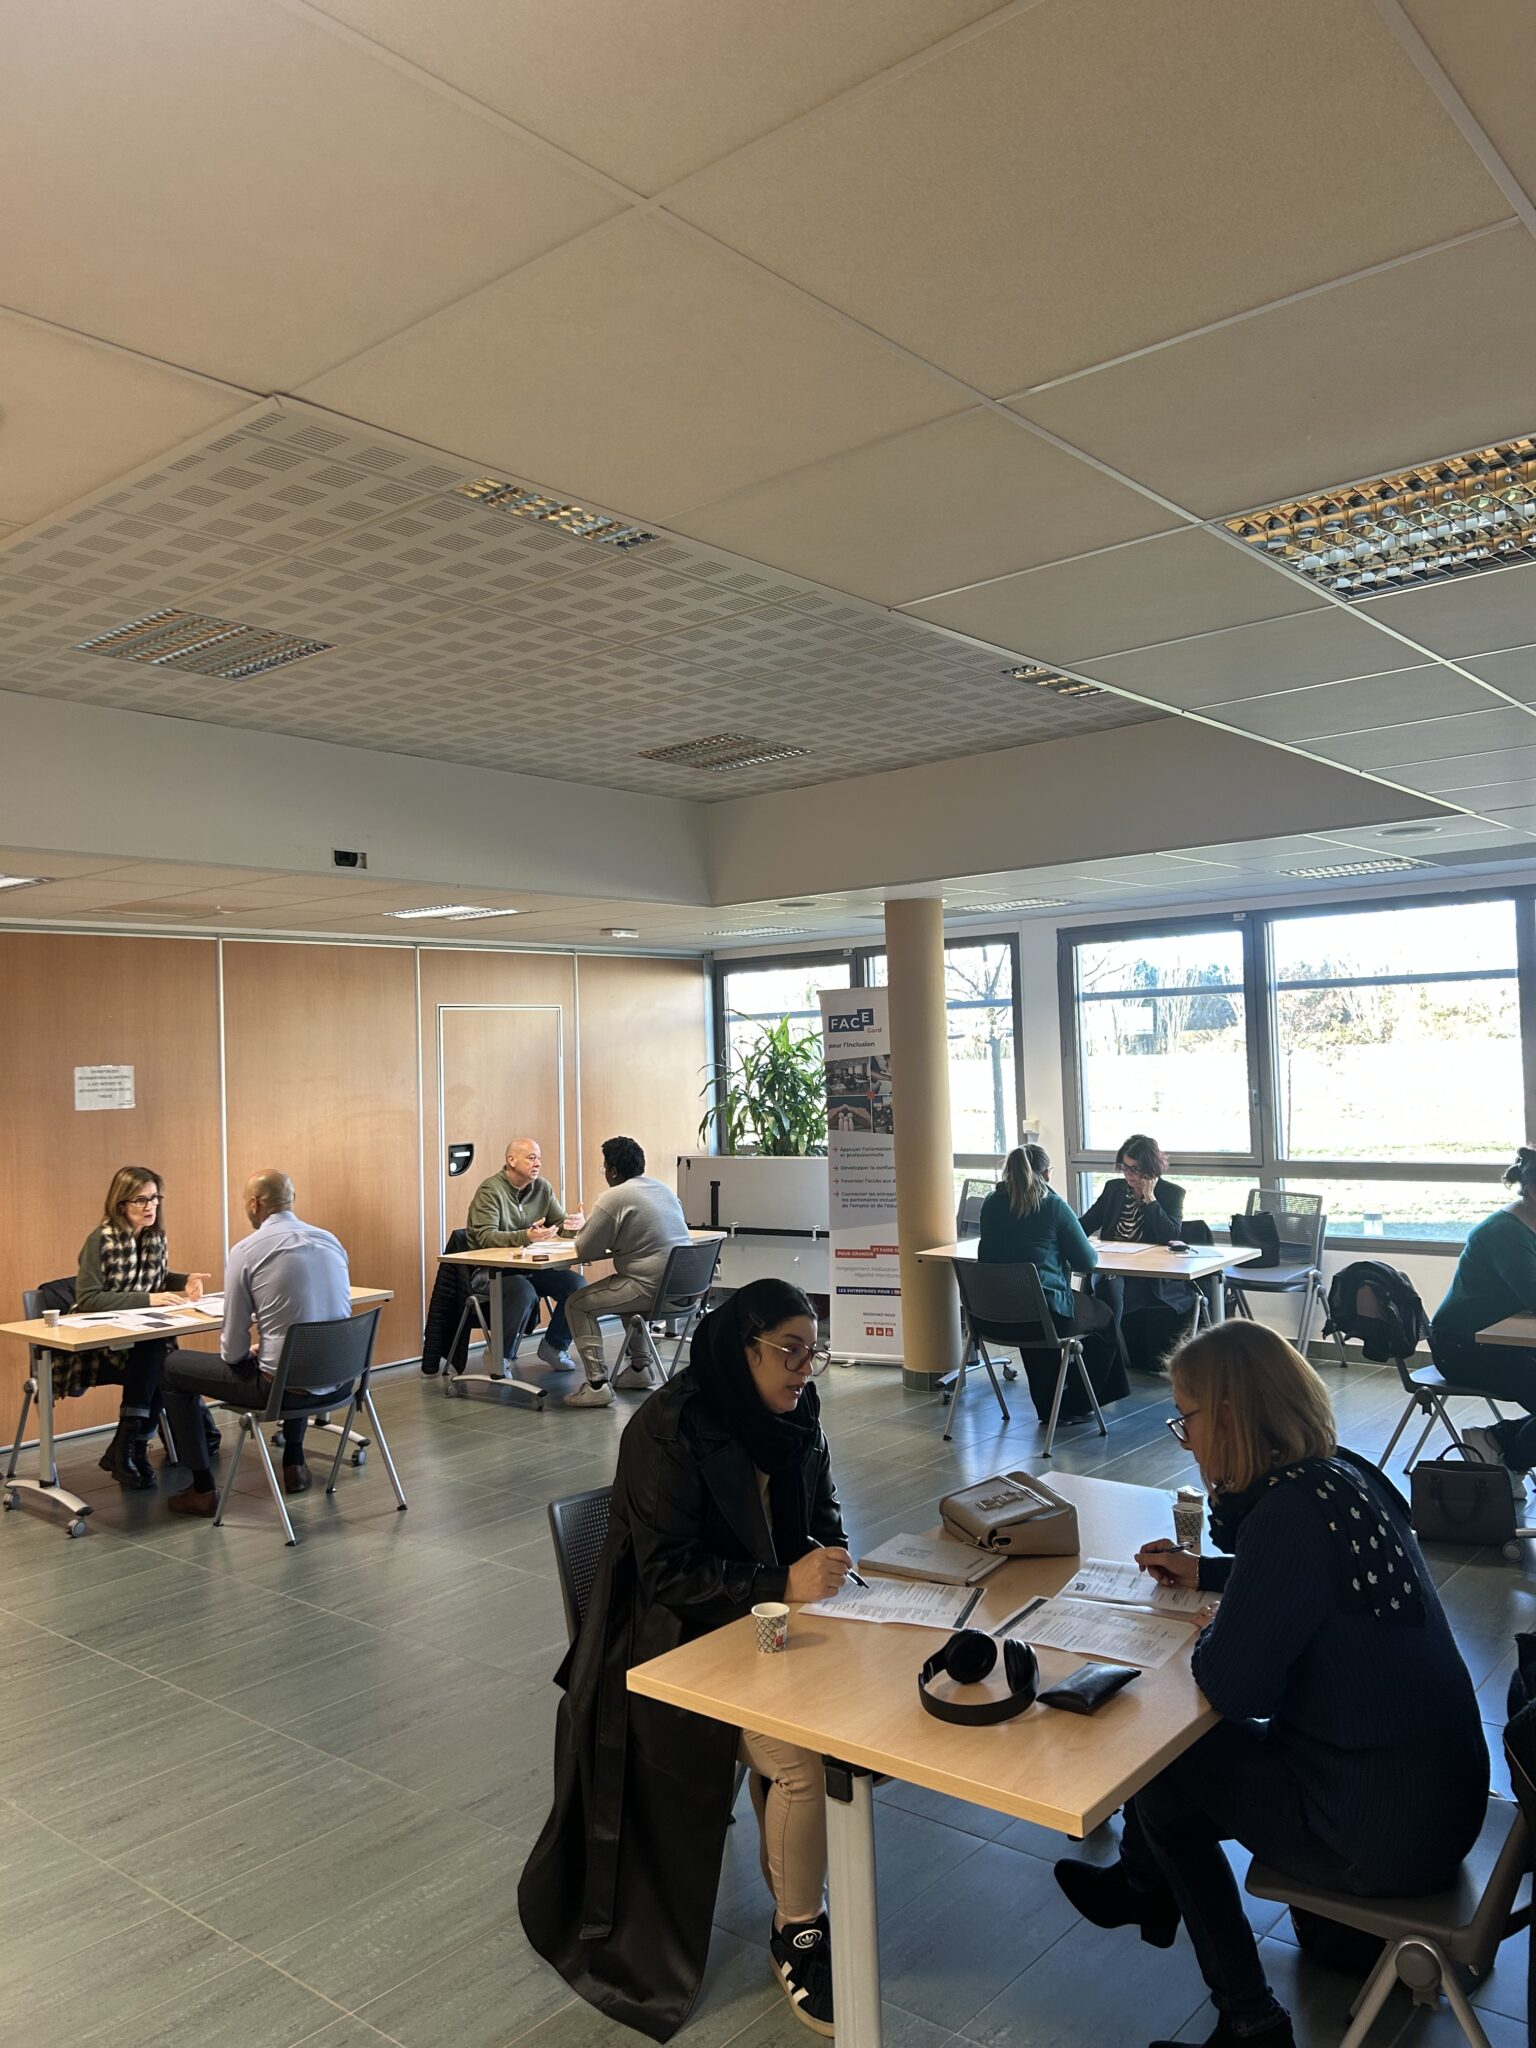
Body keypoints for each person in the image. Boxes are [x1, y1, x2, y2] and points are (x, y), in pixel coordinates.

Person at [1053, 1322, 1488, 2048]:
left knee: (1161, 1768)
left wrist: (1215, 1629)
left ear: (1229, 1415)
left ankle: (1246, 2017)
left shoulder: (1284, 1516)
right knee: (1176, 1775)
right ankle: (1143, 1887)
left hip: (1374, 1833)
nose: (1185, 1440)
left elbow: (1236, 1691)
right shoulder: (1342, 1477)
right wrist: (1209, 1575)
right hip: (1438, 1806)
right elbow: (1318, 1577)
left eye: (1187, 1418)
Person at [518, 1280, 849, 2040]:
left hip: (761, 1624)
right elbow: (666, 1574)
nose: (805, 1370)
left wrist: (829, 1556)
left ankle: (797, 1886)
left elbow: (821, 1509)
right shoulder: (670, 1428)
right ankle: (799, 1932)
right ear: (744, 1350)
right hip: (668, 1643)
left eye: (813, 1354)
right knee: (801, 1759)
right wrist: (782, 1583)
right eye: (790, 1352)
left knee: (846, 1719)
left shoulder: (796, 1414)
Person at [161, 1169, 352, 1515]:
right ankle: (294, 1463)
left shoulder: (247, 1251)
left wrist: (256, 1352)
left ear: (254, 1204)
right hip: (342, 1382)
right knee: (297, 1357)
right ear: (292, 1199)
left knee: (172, 1367)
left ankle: (201, 1489)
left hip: (279, 1391)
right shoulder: (330, 1241)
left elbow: (233, 1350)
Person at [74, 1166, 209, 1489]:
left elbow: (157, 1279)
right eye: (140, 1200)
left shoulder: (154, 1238)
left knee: (160, 1356)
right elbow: (88, 1299)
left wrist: (184, 1280)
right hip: (98, 1344)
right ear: (121, 1204)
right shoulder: (101, 1240)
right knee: (160, 1355)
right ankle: (129, 1446)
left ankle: (128, 1447)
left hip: (139, 1343)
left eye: (154, 1198)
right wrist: (148, 1300)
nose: (150, 1206)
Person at [977, 1144, 1126, 1423]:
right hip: (1042, 1315)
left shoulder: (991, 1203)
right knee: (1104, 1317)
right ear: (1046, 1173)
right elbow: (1087, 1262)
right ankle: (1078, 1402)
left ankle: (1050, 1406)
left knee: (1029, 1307)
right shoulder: (1052, 1205)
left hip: (992, 1316)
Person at [1430, 1146, 1536, 1483]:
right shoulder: (1506, 1232)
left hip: (1507, 1342)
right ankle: (1508, 1456)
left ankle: (1497, 1441)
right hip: (1464, 1348)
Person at [562, 1136, 692, 1410]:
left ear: (612, 1171)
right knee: (623, 1293)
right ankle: (639, 1368)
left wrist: (585, 1229)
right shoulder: (663, 1190)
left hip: (651, 1288)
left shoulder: (614, 1197)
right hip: (686, 1289)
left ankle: (597, 1385)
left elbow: (585, 1250)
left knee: (576, 1304)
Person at [1079, 1133, 1196, 1374]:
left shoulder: (1171, 1193)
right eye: (1124, 1167)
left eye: (1135, 1169)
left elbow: (1170, 1235)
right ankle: (1099, 1366)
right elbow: (1086, 1224)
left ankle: (1099, 1365)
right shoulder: (1114, 1189)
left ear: (1151, 1168)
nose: (1129, 1174)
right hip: (1112, 1266)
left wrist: (1150, 1200)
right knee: (1108, 1286)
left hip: (1148, 1275)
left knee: (1108, 1293)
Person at [466, 1137, 586, 1371]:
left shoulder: (542, 1187)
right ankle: (499, 1354)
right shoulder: (490, 1191)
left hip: (530, 1268)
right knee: (523, 1292)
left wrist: (574, 1225)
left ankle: (554, 1346)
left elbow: (559, 1224)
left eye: (539, 1158)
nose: (537, 1163)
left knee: (577, 1286)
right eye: (531, 1158)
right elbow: (484, 1237)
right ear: (512, 1160)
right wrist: (526, 1236)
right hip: (491, 1272)